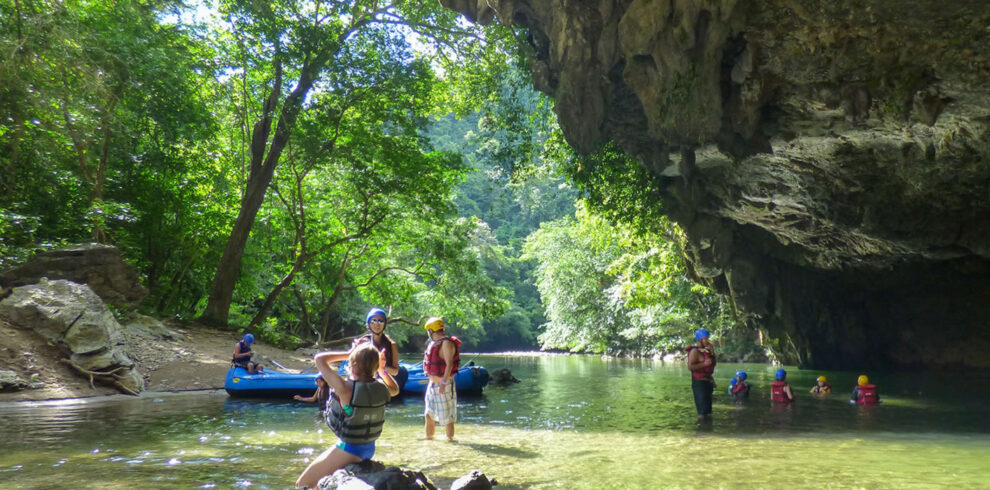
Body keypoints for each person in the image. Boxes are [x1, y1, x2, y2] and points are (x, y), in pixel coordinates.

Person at [295, 343, 400, 488]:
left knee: (302, 484)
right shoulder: (381, 387)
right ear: (375, 366)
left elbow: (319, 359)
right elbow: (395, 390)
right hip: (368, 447)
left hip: (350, 449)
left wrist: (350, 352)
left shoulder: (345, 389)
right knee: (319, 484)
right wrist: (382, 371)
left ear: (353, 364)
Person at [423, 317, 461, 441]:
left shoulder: (446, 343)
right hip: (432, 384)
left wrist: (444, 383)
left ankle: (451, 441)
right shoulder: (433, 343)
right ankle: (429, 441)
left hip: (444, 384)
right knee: (428, 414)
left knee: (448, 418)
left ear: (430, 330)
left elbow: (449, 364)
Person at [351, 308, 401, 376]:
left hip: (384, 379)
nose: (377, 324)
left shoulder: (392, 344)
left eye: (380, 321)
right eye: (373, 321)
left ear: (384, 324)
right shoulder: (362, 342)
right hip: (367, 378)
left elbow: (395, 372)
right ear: (368, 324)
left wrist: (382, 366)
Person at [686, 328, 716, 418]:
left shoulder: (706, 351)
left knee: (708, 411)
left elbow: (713, 364)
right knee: (702, 412)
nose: (708, 341)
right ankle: (702, 430)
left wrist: (713, 352)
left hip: (708, 382)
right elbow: (690, 367)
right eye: (706, 339)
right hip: (699, 383)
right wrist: (704, 364)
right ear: (700, 340)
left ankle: (709, 430)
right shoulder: (694, 352)